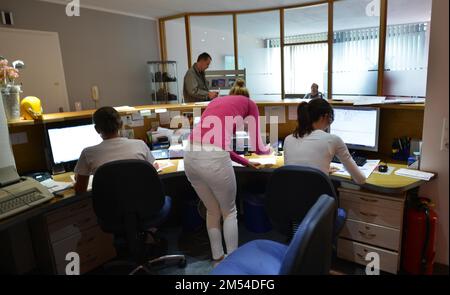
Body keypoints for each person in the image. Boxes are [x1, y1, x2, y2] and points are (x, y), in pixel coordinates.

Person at [184, 83, 270, 264]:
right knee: (229, 211)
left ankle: (218, 258)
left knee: (212, 210)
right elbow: (257, 146)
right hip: (213, 159)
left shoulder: (217, 102)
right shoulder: (250, 103)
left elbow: (217, 146)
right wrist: (268, 151)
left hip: (190, 155)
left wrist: (245, 162)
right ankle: (233, 262)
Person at [74, 106, 158, 193]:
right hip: (142, 203)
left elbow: (80, 190)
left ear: (97, 129)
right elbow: (152, 175)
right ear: (121, 124)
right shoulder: (140, 144)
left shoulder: (87, 153)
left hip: (109, 205)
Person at [283, 99, 366, 185]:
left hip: (290, 196)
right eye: (330, 119)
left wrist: (321, 170)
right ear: (325, 116)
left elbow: (293, 171)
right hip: (318, 197)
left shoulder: (288, 139)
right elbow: (360, 179)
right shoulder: (333, 140)